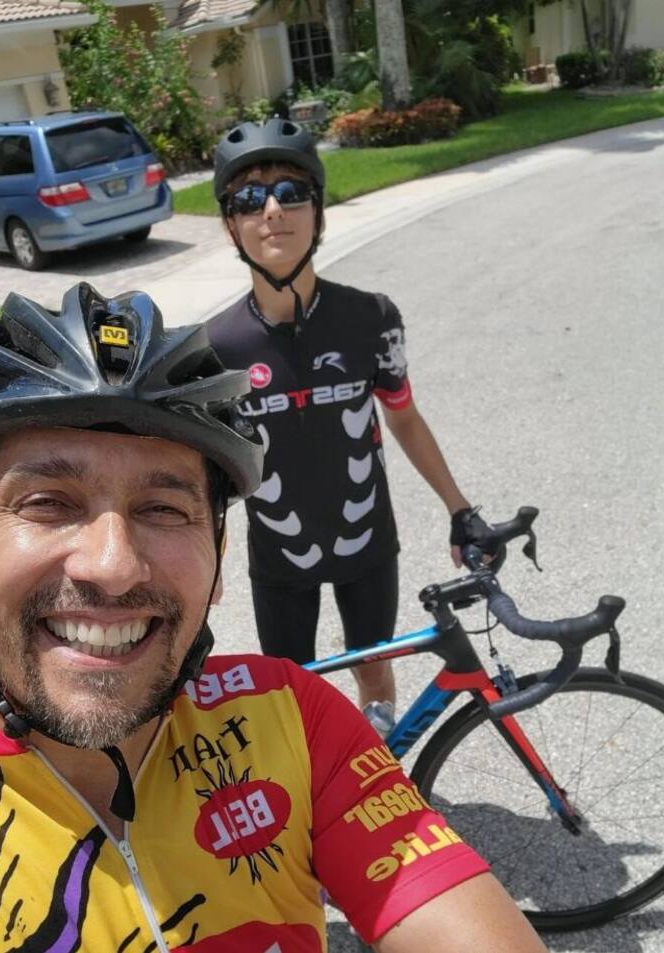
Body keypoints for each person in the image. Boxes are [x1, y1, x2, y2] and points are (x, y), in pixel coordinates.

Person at [0, 282, 546, 952]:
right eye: (48, 502)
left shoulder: (290, 720)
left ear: (220, 558)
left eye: (164, 509)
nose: (113, 565)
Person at [207, 118, 482, 735]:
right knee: (289, 696)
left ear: (319, 212)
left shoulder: (371, 317)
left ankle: (378, 771)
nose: (272, 211)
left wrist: (460, 509)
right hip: (278, 557)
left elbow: (403, 416)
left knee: (375, 674)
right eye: (249, 199)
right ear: (230, 225)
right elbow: (211, 470)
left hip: (367, 543)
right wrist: (206, 557)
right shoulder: (216, 347)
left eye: (292, 192)